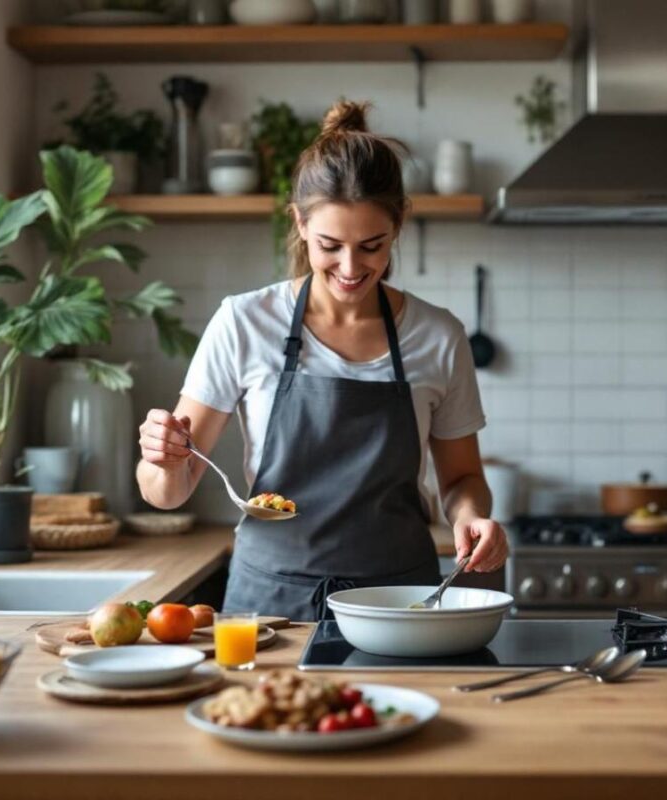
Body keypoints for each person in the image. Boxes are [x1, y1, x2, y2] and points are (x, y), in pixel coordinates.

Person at [136, 100, 508, 621]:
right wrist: (164, 459)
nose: (351, 268)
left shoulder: (438, 336)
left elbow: (463, 478)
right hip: (270, 607)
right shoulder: (243, 323)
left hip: (401, 604)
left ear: (398, 226)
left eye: (372, 246)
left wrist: (472, 518)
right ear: (300, 223)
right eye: (330, 245)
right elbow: (167, 494)